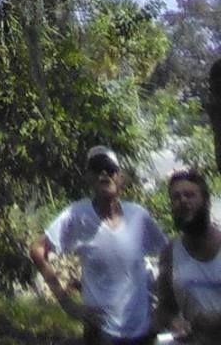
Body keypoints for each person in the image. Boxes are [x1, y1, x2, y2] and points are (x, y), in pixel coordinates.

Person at [29, 146, 166, 344]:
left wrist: (163, 309)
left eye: (110, 169)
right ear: (89, 178)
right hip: (101, 335)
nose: (104, 174)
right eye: (97, 168)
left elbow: (168, 254)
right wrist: (68, 304)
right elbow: (37, 250)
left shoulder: (138, 215)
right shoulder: (77, 215)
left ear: (120, 178)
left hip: (143, 332)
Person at [158, 167, 221, 340]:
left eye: (190, 195)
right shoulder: (170, 253)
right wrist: (174, 322)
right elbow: (165, 308)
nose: (183, 201)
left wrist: (217, 320)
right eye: (176, 197)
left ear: (207, 201)